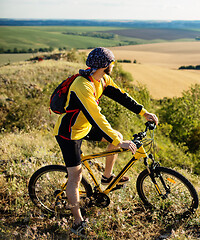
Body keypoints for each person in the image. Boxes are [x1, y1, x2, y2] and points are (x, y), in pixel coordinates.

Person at [53, 47, 158, 237]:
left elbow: (121, 96)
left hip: (83, 127)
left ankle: (107, 177)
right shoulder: (82, 86)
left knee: (115, 136)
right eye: (112, 63)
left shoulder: (101, 79)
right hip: (69, 133)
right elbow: (96, 117)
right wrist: (119, 141)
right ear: (105, 65)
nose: (113, 66)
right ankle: (77, 221)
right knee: (75, 177)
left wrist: (144, 112)